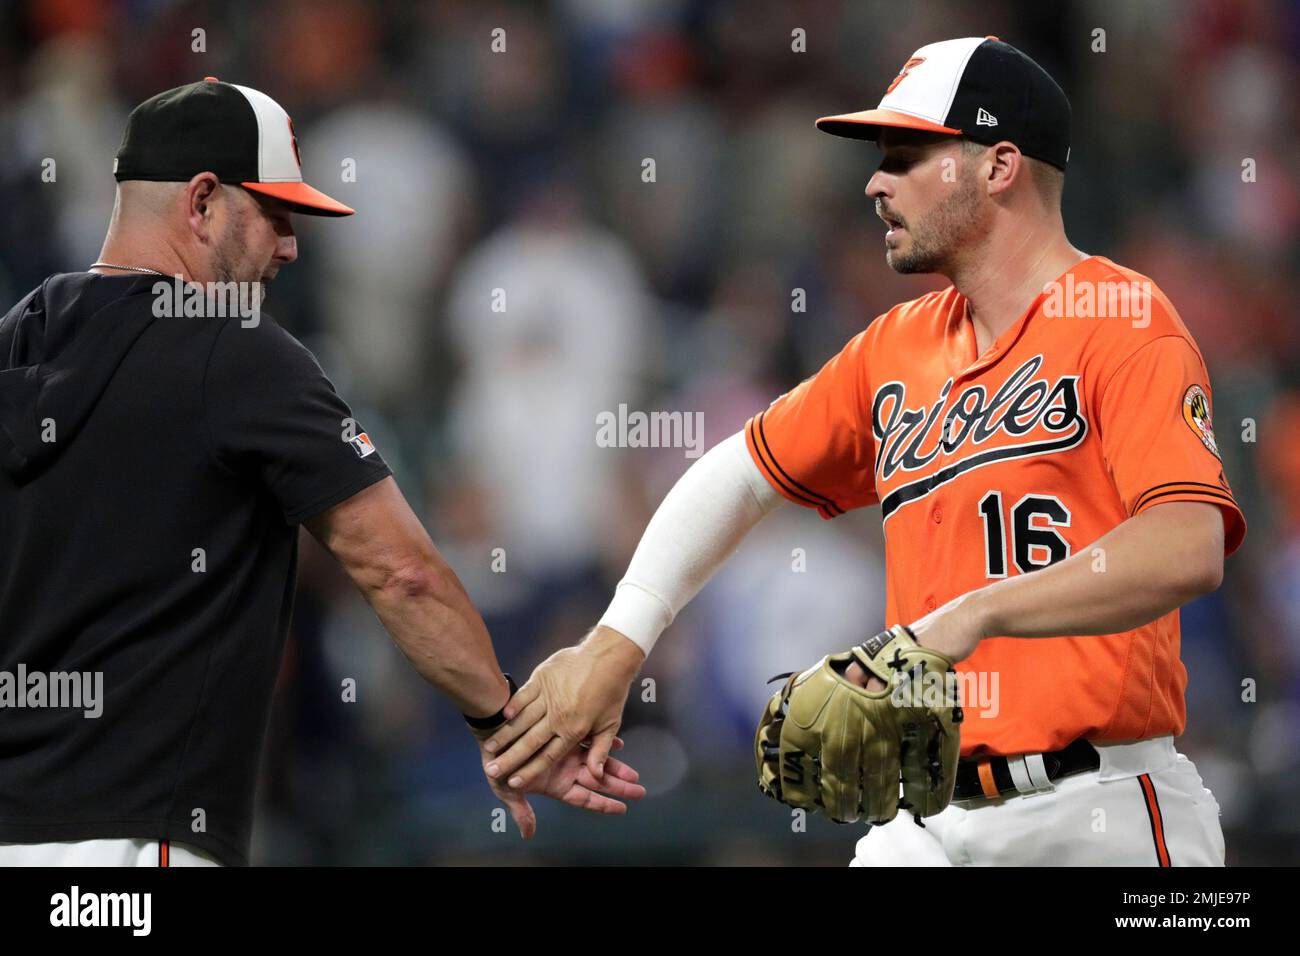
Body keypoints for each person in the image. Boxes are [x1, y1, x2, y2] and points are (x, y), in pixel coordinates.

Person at [482, 38, 1244, 866]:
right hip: (923, 820)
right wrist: (617, 642)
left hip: (1098, 809)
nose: (876, 182)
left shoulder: (1121, 317)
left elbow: (1187, 544)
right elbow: (737, 476)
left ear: (997, 166)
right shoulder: (896, 347)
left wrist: (975, 613)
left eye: (908, 156)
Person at [0, 78, 641, 867]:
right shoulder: (235, 348)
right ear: (201, 202)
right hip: (138, 845)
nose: (291, 244)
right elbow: (400, 570)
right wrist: (505, 725)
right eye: (274, 213)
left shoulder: (18, 340)